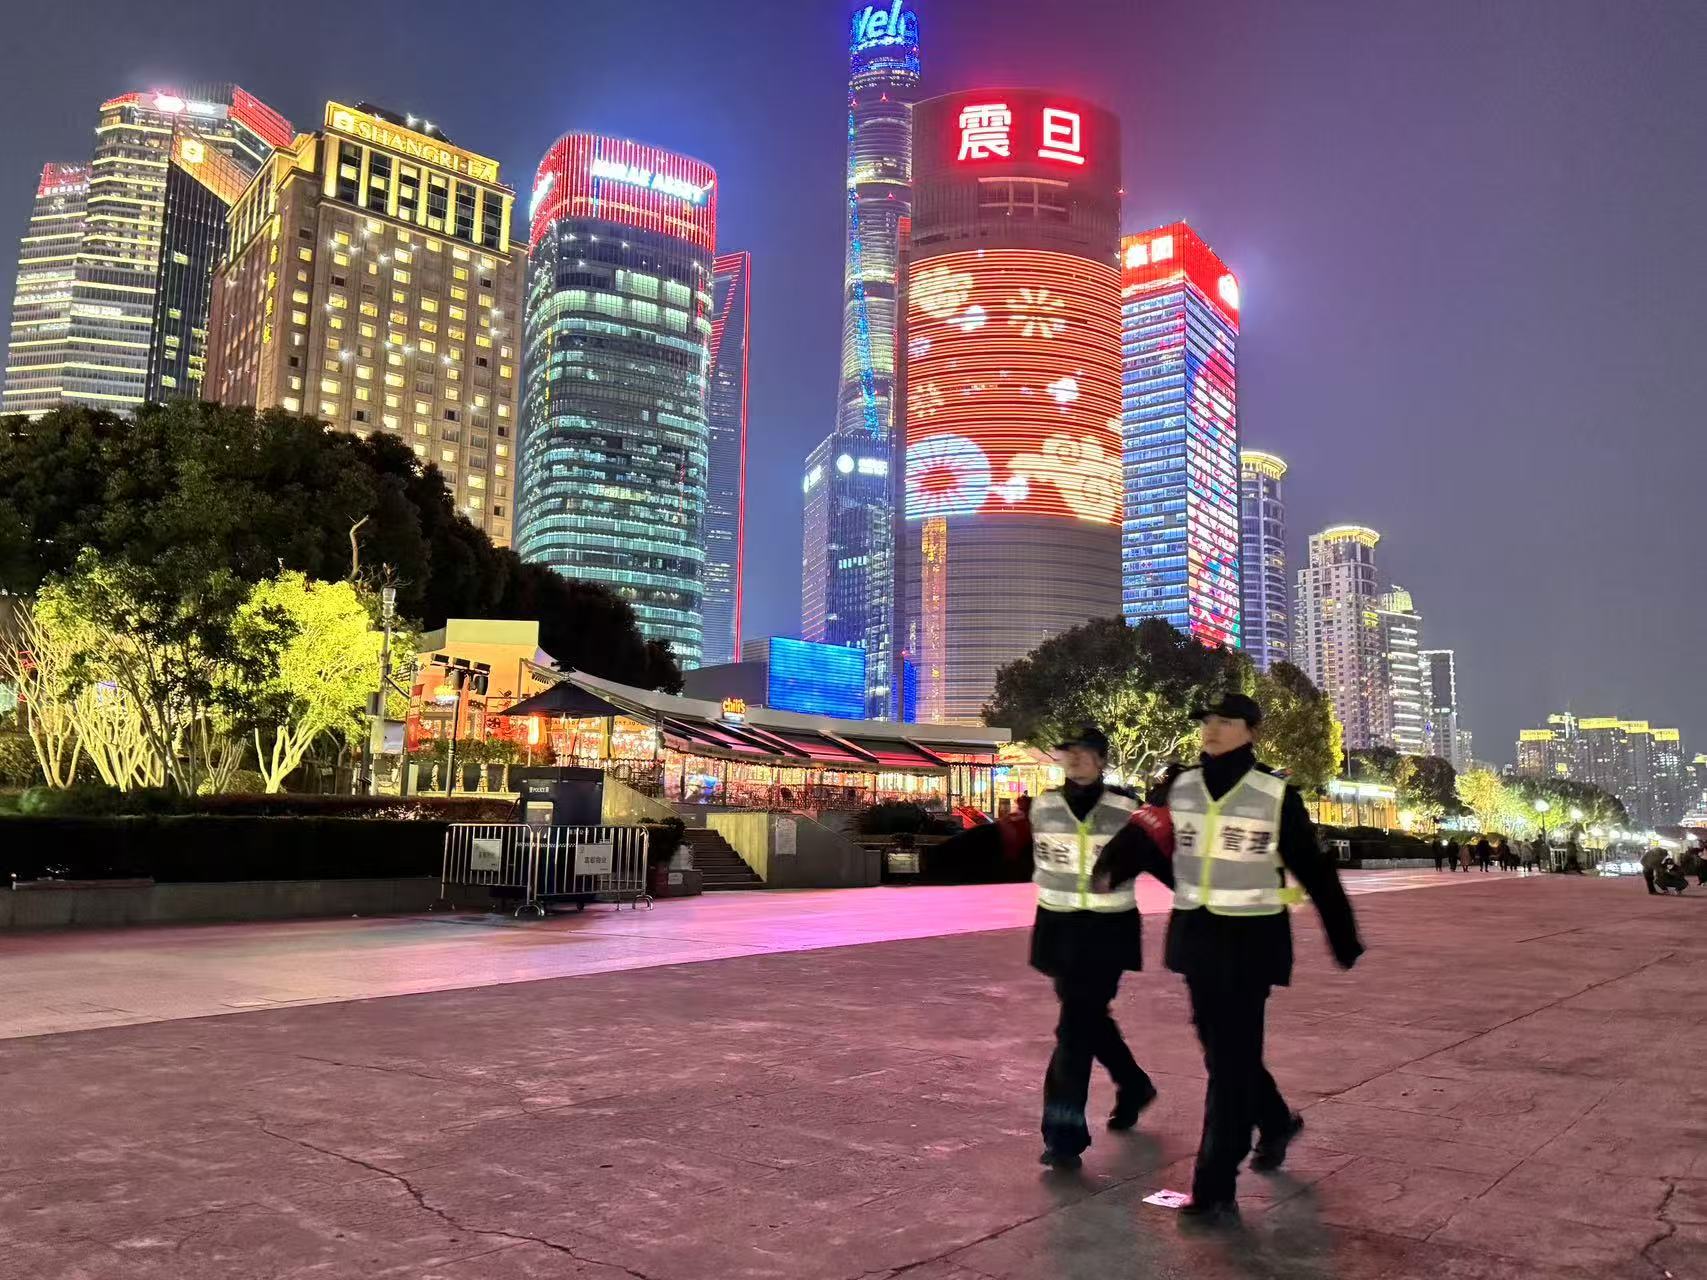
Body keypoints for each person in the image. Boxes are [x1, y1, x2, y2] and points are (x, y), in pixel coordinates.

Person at [1097, 694, 1363, 1226]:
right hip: (1197, 939)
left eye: (1225, 721)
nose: (1212, 729)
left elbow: (1311, 866)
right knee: (1224, 1053)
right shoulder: (1181, 785)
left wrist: (1343, 936)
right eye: (1207, 721)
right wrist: (1110, 869)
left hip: (1251, 944)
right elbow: (1145, 837)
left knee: (1230, 1063)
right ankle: (1276, 1120)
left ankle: (1215, 1185)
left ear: (1250, 730)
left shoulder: (1274, 792)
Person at [1027, 726, 1175, 1171]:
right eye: (1068, 751)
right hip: (1058, 929)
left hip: (1108, 933)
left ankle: (1063, 1136)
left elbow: (1160, 864)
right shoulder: (1042, 806)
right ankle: (1133, 1085)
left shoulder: (1127, 810)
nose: (1074, 758)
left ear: (1102, 760)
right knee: (1089, 1020)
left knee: (1074, 1029)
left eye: (1084, 751)